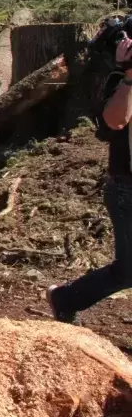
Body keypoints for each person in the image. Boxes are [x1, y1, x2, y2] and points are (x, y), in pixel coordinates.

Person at [47, 35, 132, 323]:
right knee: (129, 270)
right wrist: (130, 76)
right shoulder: (118, 80)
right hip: (127, 189)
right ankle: (65, 298)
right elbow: (115, 121)